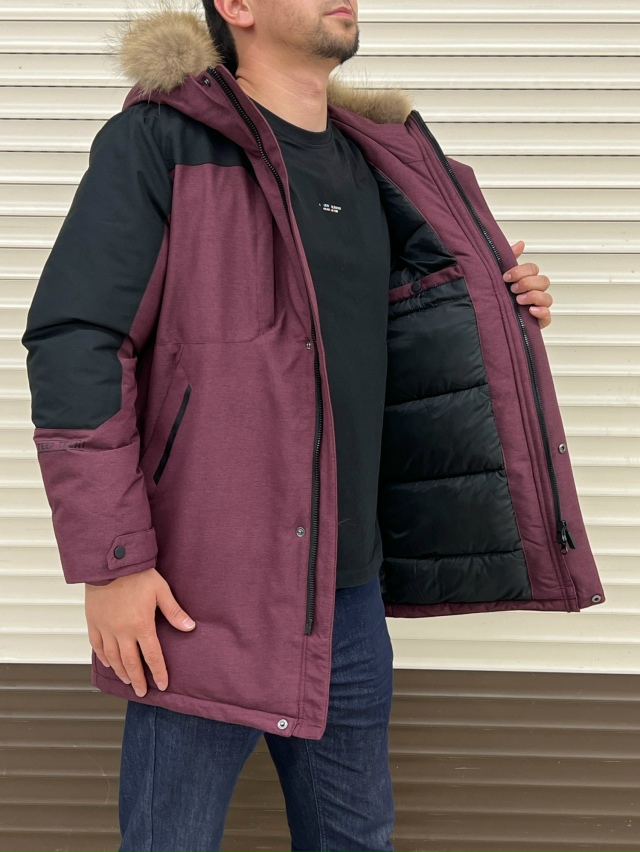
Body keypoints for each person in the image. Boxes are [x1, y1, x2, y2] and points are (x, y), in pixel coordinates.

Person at [21, 1, 604, 849]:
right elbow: (78, 343)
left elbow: (403, 333)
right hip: (198, 598)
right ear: (237, 6)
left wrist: (500, 307)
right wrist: (114, 564)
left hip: (350, 597)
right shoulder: (162, 142)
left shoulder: (383, 160)